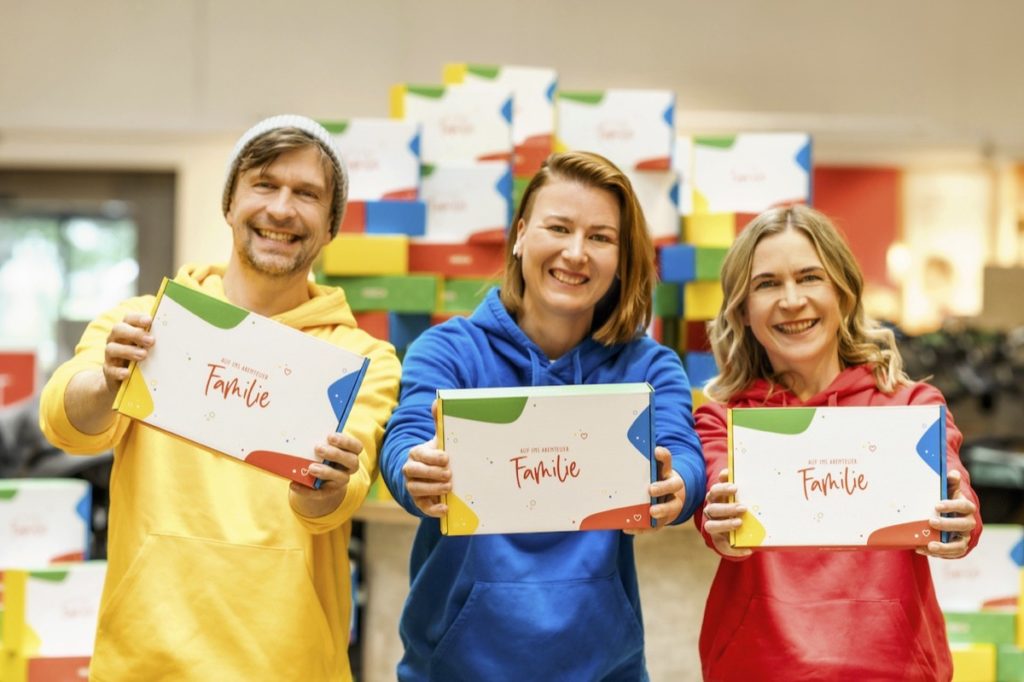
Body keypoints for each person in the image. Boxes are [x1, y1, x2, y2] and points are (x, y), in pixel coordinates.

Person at [39, 115, 401, 681]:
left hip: (288, 666)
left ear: (330, 226)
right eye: (264, 184)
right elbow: (65, 421)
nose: (281, 209)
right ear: (229, 202)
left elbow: (333, 503)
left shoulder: (360, 361)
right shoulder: (146, 323)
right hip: (145, 661)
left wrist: (326, 485)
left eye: (306, 194)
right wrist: (110, 381)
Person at [380, 151, 706, 681]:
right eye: (559, 228)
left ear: (622, 259)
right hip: (454, 668)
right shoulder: (448, 350)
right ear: (521, 235)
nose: (576, 253)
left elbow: (683, 451)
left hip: (603, 669)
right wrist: (411, 469)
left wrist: (679, 484)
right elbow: (408, 434)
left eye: (600, 237)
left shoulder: (647, 365)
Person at [694, 205, 982, 681]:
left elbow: (955, 497)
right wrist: (718, 522)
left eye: (810, 277)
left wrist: (957, 519)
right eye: (767, 284)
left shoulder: (911, 408)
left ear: (843, 292)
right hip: (759, 666)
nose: (791, 300)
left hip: (892, 666)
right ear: (743, 309)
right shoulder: (723, 420)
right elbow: (715, 504)